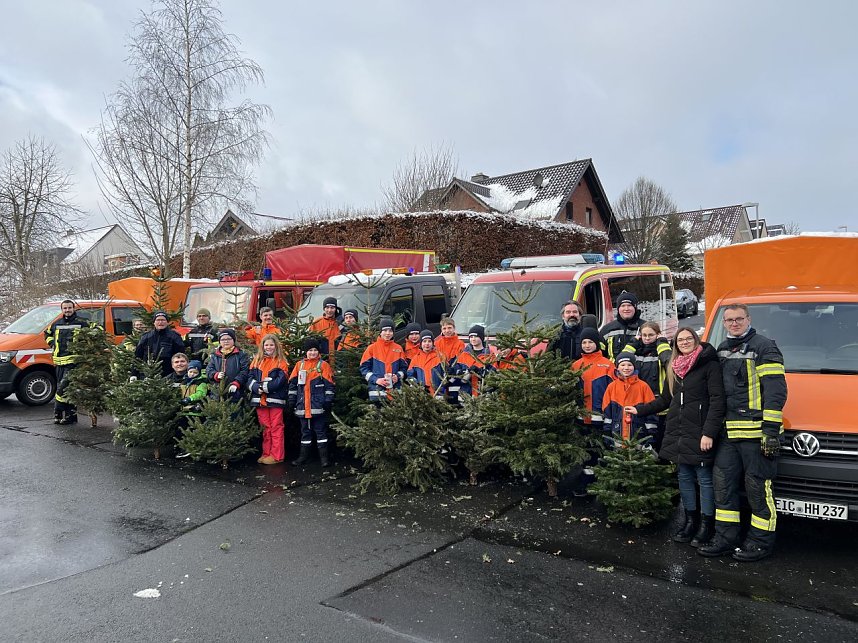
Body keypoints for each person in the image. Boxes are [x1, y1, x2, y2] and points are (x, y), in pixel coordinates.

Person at [699, 304, 787, 562]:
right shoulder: (722, 350)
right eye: (729, 320)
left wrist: (770, 431)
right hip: (729, 433)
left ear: (748, 319)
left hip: (756, 434)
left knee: (757, 489)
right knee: (723, 487)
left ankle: (760, 542)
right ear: (724, 323)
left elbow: (775, 392)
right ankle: (726, 538)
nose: (734, 323)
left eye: (739, 319)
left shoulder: (764, 347)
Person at [627, 327, 725, 547]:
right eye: (680, 340)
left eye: (689, 339)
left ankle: (706, 526)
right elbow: (664, 399)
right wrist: (639, 409)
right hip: (678, 431)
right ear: (675, 345)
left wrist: (708, 433)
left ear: (696, 340)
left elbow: (718, 401)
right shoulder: (675, 367)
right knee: (684, 478)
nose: (685, 342)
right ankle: (690, 522)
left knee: (704, 480)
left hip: (700, 432)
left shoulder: (708, 365)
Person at [571, 327, 615, 496]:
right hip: (582, 417)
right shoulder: (575, 366)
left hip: (602, 418)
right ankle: (587, 482)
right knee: (588, 451)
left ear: (597, 344)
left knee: (603, 450)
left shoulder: (608, 365)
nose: (587, 345)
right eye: (584, 342)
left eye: (590, 342)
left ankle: (604, 483)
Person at [617, 321, 672, 451]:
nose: (647, 338)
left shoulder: (662, 351)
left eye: (651, 335)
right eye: (644, 335)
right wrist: (632, 344)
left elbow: (670, 363)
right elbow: (621, 361)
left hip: (659, 403)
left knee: (659, 439)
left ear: (658, 335)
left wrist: (662, 344)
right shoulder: (637, 351)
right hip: (639, 403)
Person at [288, 337, 335, 467]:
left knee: (321, 432)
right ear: (305, 352)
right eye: (310, 350)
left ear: (318, 352)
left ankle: (324, 459)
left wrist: (327, 401)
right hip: (302, 407)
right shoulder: (299, 365)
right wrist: (292, 400)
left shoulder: (323, 366)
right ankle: (302, 457)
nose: (312, 353)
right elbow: (292, 384)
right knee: (305, 433)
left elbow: (330, 386)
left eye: (315, 350)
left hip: (318, 408)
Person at [45, 299, 90, 425]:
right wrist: (52, 343)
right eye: (65, 308)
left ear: (73, 308)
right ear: (62, 310)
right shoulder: (57, 323)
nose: (67, 310)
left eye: (69, 308)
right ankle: (70, 416)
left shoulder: (82, 322)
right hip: (59, 362)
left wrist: (85, 345)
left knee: (63, 388)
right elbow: (47, 333)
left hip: (74, 362)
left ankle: (58, 411)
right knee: (66, 389)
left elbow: (96, 330)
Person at [248, 334, 290, 465]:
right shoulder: (256, 360)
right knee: (265, 428)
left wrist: (265, 387)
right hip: (260, 400)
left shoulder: (281, 361)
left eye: (271, 345)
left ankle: (277, 455)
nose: (269, 347)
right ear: (262, 346)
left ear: (276, 346)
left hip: (275, 399)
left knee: (276, 427)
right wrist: (256, 387)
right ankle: (266, 453)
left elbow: (281, 380)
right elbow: (249, 378)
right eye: (266, 345)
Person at [601, 354, 657, 445]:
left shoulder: (644, 386)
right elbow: (607, 413)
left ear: (634, 367)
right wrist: (607, 433)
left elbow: (651, 411)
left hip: (639, 437)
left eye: (629, 365)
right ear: (617, 367)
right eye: (623, 365)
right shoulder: (611, 387)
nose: (626, 368)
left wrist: (651, 435)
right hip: (617, 435)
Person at [359, 317, 408, 404]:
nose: (388, 333)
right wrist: (376, 380)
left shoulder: (398, 348)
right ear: (380, 332)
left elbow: (404, 368)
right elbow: (363, 368)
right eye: (385, 330)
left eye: (390, 330)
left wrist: (397, 376)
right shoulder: (372, 348)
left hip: (395, 394)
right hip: (377, 393)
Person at [452, 325, 497, 399]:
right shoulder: (463, 355)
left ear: (481, 338)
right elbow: (456, 374)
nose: (473, 339)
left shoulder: (489, 355)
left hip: (483, 394)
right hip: (466, 394)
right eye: (471, 337)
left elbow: (494, 373)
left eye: (476, 337)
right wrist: (466, 372)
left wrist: (481, 372)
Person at [135, 311, 185, 377]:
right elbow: (137, 357)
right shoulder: (146, 337)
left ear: (167, 322)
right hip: (147, 375)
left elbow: (180, 356)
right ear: (154, 322)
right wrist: (134, 374)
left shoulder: (174, 337)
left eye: (163, 320)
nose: (160, 322)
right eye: (158, 320)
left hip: (168, 375)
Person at [206, 328, 251, 402]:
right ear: (220, 341)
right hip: (217, 393)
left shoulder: (241, 355)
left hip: (236, 392)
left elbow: (245, 370)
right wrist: (215, 375)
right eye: (223, 339)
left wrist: (237, 382)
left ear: (233, 340)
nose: (226, 341)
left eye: (229, 339)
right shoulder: (215, 355)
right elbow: (209, 370)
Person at [600, 291, 645, 361]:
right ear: (618, 309)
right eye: (623, 306)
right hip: (612, 370)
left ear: (635, 308)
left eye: (629, 305)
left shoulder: (645, 327)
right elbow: (600, 355)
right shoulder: (607, 330)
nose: (626, 309)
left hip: (638, 370)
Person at [406, 330, 445, 398]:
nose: (427, 344)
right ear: (421, 343)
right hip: (421, 395)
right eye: (424, 341)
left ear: (433, 343)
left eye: (429, 341)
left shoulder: (440, 357)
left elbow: (445, 375)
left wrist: (442, 390)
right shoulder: (415, 358)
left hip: (438, 394)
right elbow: (410, 375)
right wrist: (418, 385)